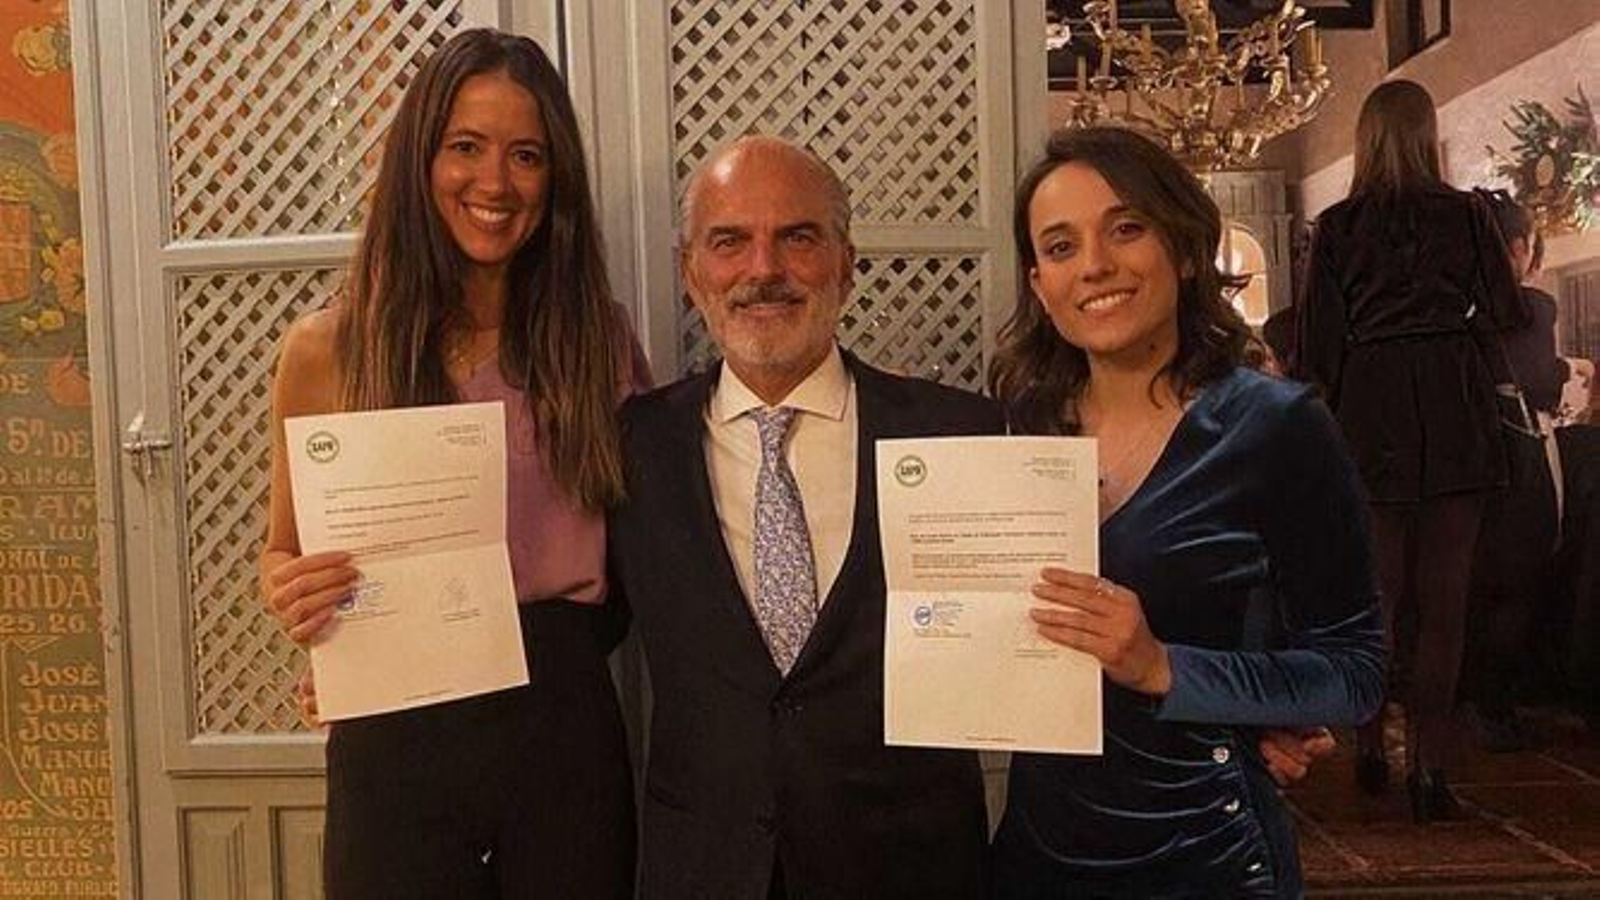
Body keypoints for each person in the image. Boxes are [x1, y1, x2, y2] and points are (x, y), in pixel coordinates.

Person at [258, 29, 645, 898]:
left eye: (527, 155)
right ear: (419, 161)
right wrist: (295, 594)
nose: (495, 184)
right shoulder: (329, 350)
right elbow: (279, 551)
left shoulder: (600, 345)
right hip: (395, 724)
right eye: (465, 148)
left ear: (557, 181)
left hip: (563, 720)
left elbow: (649, 560)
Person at [988, 126, 1384, 898]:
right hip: (1038, 856)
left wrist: (1165, 666)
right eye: (1062, 247)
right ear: (1039, 284)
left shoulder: (1276, 427)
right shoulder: (1018, 424)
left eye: (1125, 228)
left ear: (1185, 246)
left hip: (1205, 855)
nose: (1095, 265)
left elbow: (1355, 672)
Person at [607, 135, 999, 899]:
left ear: (846, 264)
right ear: (692, 274)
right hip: (704, 868)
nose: (764, 269)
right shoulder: (629, 446)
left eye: (798, 237)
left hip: (912, 870)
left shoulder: (959, 433)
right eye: (730, 242)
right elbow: (574, 625)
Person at [1296, 80, 1529, 822]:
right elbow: (1506, 309)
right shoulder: (1465, 215)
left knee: (1379, 599)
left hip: (1372, 406)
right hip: (1454, 405)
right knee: (1446, 605)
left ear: (1365, 140)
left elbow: (1318, 347)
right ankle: (1431, 767)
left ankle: (1368, 746)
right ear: (1430, 136)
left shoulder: (1337, 225)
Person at [1464, 189, 1568, 750]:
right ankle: (1495, 701)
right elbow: (1542, 384)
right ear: (1522, 248)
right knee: (1520, 578)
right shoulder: (1534, 309)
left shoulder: (1458, 311)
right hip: (1519, 451)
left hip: (1463, 456)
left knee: (1471, 583)